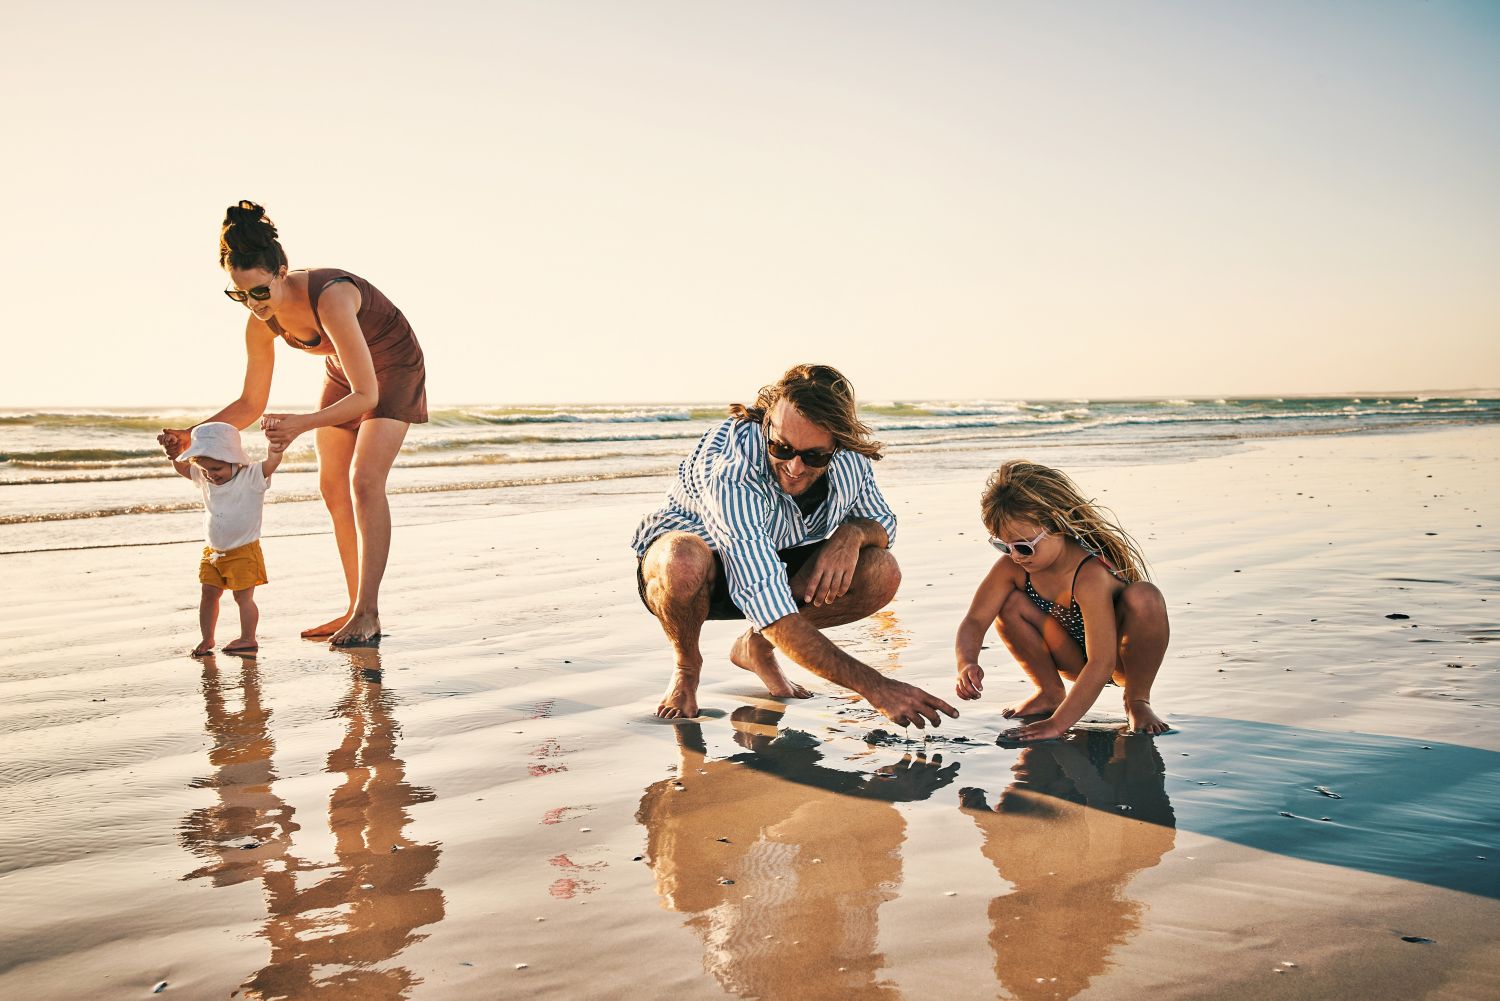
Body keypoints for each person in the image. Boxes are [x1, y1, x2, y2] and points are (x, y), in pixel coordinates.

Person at [159, 200, 428, 648]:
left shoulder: (333, 296)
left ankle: (368, 612)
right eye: (240, 295)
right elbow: (249, 402)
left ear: (282, 271)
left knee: (364, 481)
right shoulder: (259, 322)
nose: (252, 303)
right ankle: (351, 607)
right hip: (345, 371)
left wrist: (301, 423)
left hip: (393, 367)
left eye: (260, 291)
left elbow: (369, 396)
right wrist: (195, 432)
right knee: (331, 486)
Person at [631, 363, 959, 728]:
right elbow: (766, 601)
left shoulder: (851, 459)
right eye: (781, 447)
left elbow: (883, 522)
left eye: (815, 456)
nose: (795, 467)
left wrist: (851, 535)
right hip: (693, 569)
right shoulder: (733, 471)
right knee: (682, 559)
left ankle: (755, 647)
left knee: (881, 570)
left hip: (775, 554)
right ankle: (686, 667)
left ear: (838, 442)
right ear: (768, 422)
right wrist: (877, 687)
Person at [954, 460, 1170, 738]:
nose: (1016, 556)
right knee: (1009, 605)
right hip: (1073, 659)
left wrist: (1057, 724)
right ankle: (1049, 691)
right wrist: (966, 662)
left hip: (1117, 660)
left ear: (1056, 526)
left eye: (1024, 546)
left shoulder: (1088, 574)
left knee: (1146, 596)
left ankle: (1137, 700)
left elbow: (1101, 662)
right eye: (1003, 546)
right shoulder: (1013, 567)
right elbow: (975, 619)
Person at [172, 422, 283, 657]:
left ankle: (247, 637)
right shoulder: (205, 476)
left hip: (243, 551)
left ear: (234, 459)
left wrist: (275, 447)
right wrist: (173, 454)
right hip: (212, 552)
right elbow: (183, 469)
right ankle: (207, 638)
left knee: (243, 598)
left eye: (216, 468)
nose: (211, 475)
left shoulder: (251, 475)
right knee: (208, 594)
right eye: (205, 470)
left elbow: (271, 464)